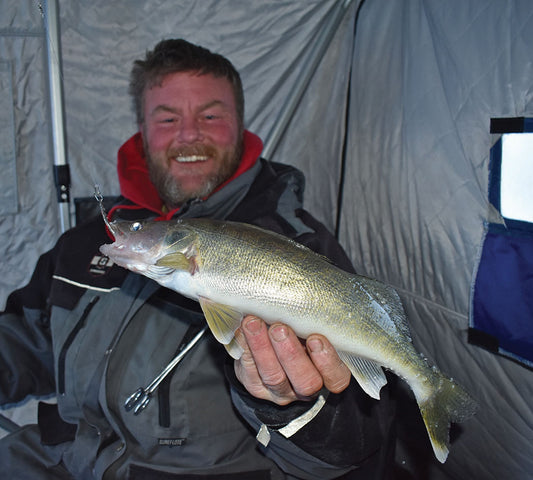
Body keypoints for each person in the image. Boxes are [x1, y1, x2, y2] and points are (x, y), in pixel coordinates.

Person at [0, 39, 396, 479]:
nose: (189, 135)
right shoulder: (90, 240)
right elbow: (27, 342)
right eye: (168, 118)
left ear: (241, 125)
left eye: (210, 115)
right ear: (142, 130)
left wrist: (289, 407)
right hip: (63, 459)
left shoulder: (299, 245)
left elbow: (354, 444)